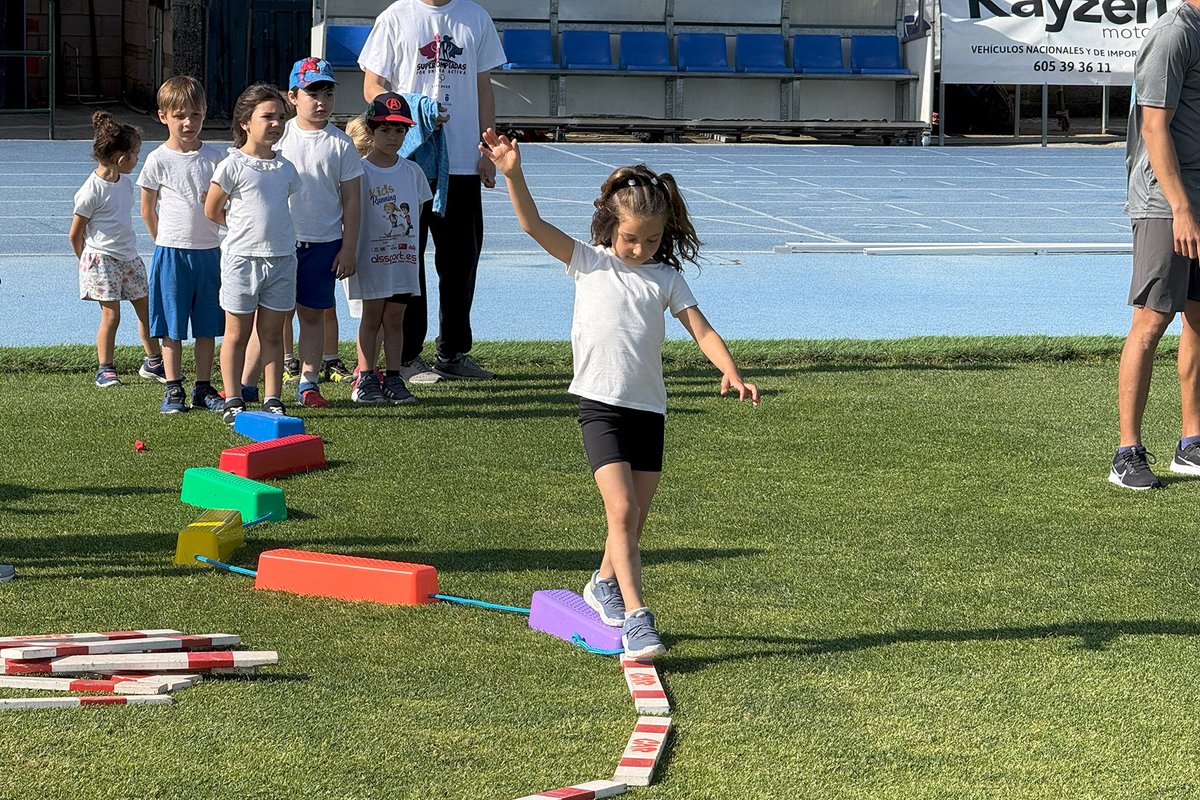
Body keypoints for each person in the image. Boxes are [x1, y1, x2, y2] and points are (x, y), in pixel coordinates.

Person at [480, 129, 760, 658]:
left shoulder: (666, 278)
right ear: (610, 227)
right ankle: (637, 616)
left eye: (651, 240)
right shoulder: (588, 261)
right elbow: (532, 224)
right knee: (623, 510)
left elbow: (701, 329)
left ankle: (603, 583)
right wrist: (514, 174)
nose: (640, 248)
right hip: (600, 407)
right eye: (631, 237)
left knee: (633, 520)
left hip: (649, 411)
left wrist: (732, 371)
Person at [358, 0, 507, 382]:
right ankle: (407, 356)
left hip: (461, 160)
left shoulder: (475, 17)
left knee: (461, 261)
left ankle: (452, 352)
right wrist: (415, 109)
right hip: (410, 160)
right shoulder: (395, 17)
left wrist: (487, 149)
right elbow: (373, 86)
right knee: (407, 260)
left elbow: (484, 87)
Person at [1113, 0, 1200, 490]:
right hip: (1165, 202)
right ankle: (1126, 453)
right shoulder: (1173, 34)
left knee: (1199, 316)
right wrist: (1181, 207)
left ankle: (1191, 444)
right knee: (1151, 321)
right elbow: (1153, 125)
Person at [256, 57, 362, 409]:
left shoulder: (341, 144)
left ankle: (309, 382)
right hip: (279, 244)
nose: (321, 102)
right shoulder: (278, 137)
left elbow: (352, 200)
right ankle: (261, 379)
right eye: (312, 93)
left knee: (313, 314)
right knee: (273, 314)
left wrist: (348, 248)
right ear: (292, 97)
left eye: (328, 94)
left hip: (323, 244)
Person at [205, 83, 301, 424]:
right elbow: (212, 209)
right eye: (267, 117)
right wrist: (242, 230)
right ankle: (233, 399)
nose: (276, 124)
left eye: (281, 117)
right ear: (245, 122)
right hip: (242, 261)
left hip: (282, 260)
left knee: (272, 334)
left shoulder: (286, 168)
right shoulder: (232, 165)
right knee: (237, 334)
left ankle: (273, 399)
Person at [138, 75, 226, 413]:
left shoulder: (216, 158)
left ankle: (203, 387)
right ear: (163, 116)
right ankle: (173, 388)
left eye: (196, 115)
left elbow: (226, 204)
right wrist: (163, 241)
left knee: (207, 325)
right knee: (171, 326)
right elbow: (147, 209)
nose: (188, 123)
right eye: (180, 116)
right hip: (171, 254)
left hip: (208, 253)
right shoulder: (158, 159)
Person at [346, 94, 433, 406]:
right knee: (371, 317)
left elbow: (418, 212)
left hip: (402, 260)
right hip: (372, 259)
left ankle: (394, 377)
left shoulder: (413, 172)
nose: (393, 137)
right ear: (371, 131)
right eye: (385, 130)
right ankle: (366, 377)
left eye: (399, 130)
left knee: (395, 318)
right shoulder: (360, 172)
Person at [69, 111, 164, 389]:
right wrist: (86, 260)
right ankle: (105, 368)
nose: (137, 159)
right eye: (135, 154)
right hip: (102, 260)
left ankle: (153, 361)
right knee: (111, 315)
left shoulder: (125, 183)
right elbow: (75, 233)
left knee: (146, 310)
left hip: (129, 257)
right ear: (122, 159)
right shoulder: (90, 191)